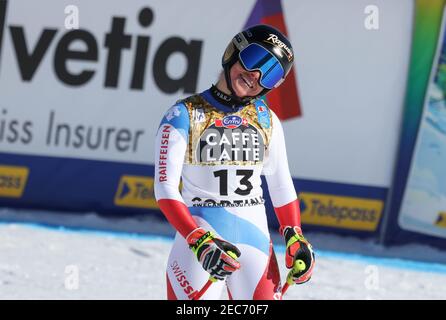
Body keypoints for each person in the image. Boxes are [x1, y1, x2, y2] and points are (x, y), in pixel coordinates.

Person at [154, 24, 315, 300]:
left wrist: (294, 234)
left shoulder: (268, 120)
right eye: (255, 60)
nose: (255, 76)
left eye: (270, 73)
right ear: (233, 52)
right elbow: (165, 188)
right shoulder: (183, 115)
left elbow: (280, 184)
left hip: (256, 242)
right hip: (202, 241)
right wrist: (198, 240)